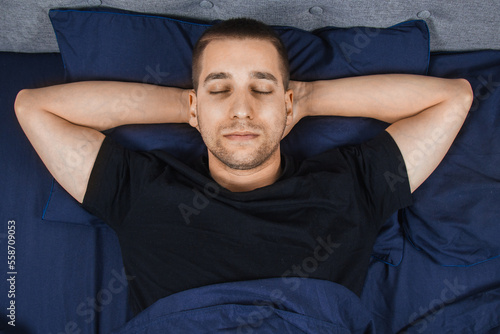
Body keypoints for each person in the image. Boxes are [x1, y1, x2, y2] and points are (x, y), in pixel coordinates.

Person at [14, 18, 473, 315]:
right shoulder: (141, 189)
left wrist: (307, 99)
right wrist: (186, 105)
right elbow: (34, 108)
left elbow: (453, 97)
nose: (241, 111)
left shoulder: (352, 184)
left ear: (288, 102)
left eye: (262, 89)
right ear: (195, 105)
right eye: (219, 90)